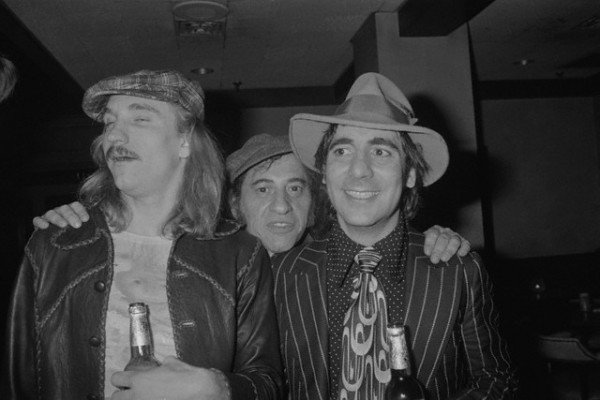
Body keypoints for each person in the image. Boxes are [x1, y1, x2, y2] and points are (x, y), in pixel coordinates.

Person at [4, 70, 283, 400]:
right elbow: (15, 378)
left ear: (185, 141)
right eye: (109, 122)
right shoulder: (54, 244)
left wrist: (218, 387)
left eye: (140, 119)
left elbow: (267, 382)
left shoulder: (239, 253)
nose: (115, 136)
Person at [272, 72, 517, 400]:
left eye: (381, 152)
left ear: (411, 173)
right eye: (342, 151)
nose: (359, 170)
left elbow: (497, 381)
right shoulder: (281, 273)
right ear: (324, 174)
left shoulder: (459, 271)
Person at [34, 134, 471, 262]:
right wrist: (85, 221)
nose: (281, 206)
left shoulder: (332, 263)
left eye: (296, 188)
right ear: (234, 204)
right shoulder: (201, 262)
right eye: (262, 189)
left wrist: (434, 241)